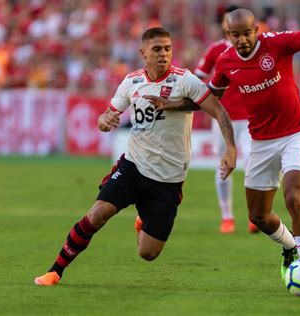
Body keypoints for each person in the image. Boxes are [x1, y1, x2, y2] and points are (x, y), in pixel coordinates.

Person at [151, 9, 300, 279]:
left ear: (256, 30)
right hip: (261, 141)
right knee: (258, 215)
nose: (242, 39)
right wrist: (174, 105)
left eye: (247, 33)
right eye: (236, 35)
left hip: (296, 132)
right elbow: (210, 98)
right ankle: (289, 246)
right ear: (228, 35)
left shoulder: (276, 44)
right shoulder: (225, 61)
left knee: (294, 197)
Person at [34, 27, 237, 286]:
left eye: (167, 48)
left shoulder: (184, 80)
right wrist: (104, 120)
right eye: (157, 49)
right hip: (133, 166)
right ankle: (55, 271)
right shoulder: (131, 82)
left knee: (148, 253)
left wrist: (230, 148)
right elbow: (105, 116)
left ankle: (143, 218)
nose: (163, 54)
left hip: (168, 179)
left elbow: (219, 111)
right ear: (143, 53)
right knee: (97, 214)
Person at [194, 5, 258, 234]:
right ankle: (227, 216)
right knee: (224, 165)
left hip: (250, 118)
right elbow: (198, 78)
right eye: (226, 21)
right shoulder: (216, 50)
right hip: (222, 118)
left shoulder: (256, 49)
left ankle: (255, 214)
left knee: (252, 161)